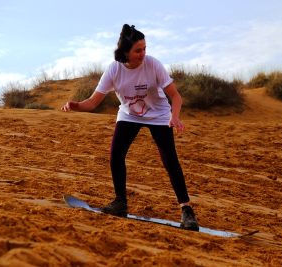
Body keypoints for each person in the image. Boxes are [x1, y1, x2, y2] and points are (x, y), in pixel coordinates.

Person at [62, 24, 199, 231]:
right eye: (138, 50)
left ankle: (186, 210)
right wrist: (75, 105)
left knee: (170, 160)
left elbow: (176, 96)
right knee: (116, 154)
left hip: (159, 114)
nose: (143, 54)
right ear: (125, 51)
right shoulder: (114, 69)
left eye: (145, 49)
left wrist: (175, 117)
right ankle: (120, 202)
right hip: (129, 114)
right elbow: (92, 102)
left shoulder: (153, 65)